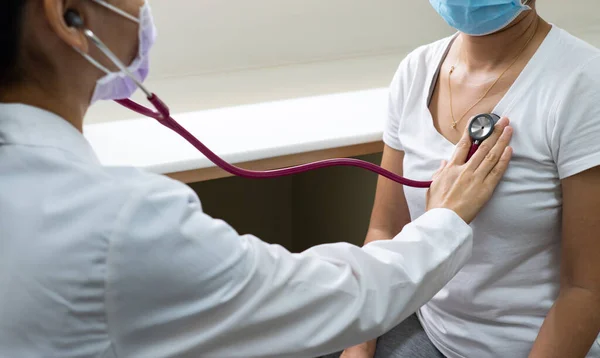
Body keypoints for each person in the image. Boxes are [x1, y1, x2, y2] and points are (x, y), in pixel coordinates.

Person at [0, 0, 513, 357]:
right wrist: (445, 218)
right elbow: (331, 297)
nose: (142, 10)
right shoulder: (117, 223)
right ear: (68, 16)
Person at [336, 0, 600, 358]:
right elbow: (385, 233)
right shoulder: (416, 71)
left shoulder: (584, 84)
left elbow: (586, 289)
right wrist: (358, 348)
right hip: (431, 331)